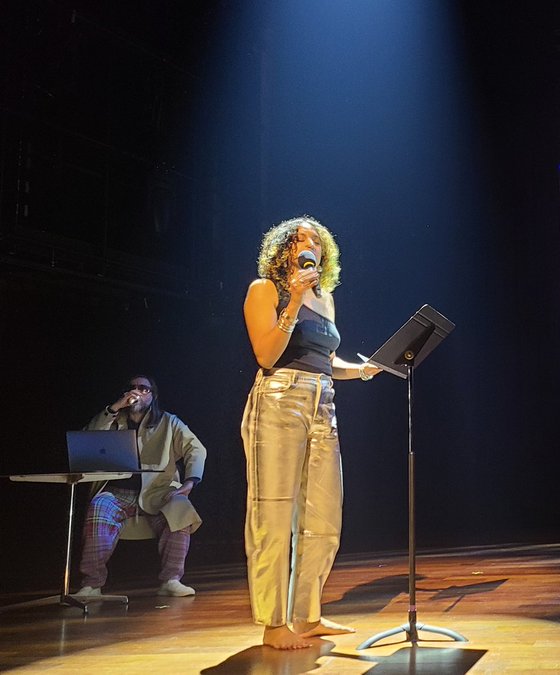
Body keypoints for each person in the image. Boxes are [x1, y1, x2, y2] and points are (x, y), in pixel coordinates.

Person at [241, 215, 381, 650]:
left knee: (324, 518)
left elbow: (325, 362)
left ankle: (306, 616)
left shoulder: (327, 298)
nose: (312, 246)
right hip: (279, 399)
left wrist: (362, 370)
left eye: (318, 242)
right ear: (285, 248)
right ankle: (273, 623)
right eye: (302, 239)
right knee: (275, 515)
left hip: (322, 403)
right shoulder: (265, 290)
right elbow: (267, 354)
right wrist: (293, 303)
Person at [77, 375, 207, 598]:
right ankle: (92, 584)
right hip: (117, 493)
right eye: (132, 388)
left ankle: (171, 579)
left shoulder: (169, 422)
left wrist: (188, 483)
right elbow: (87, 439)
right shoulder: (113, 419)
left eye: (143, 388)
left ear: (152, 396)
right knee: (100, 505)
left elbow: (196, 449)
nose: (136, 391)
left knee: (181, 508)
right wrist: (114, 408)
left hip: (157, 492)